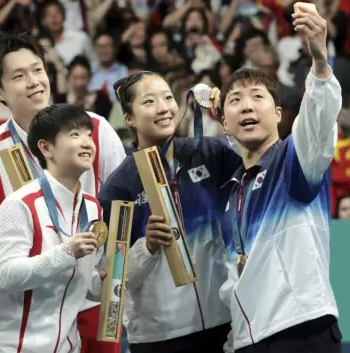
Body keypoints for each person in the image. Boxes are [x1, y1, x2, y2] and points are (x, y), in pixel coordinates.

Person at [0, 32, 125, 352]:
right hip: (29, 304)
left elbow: (121, 206)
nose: (34, 81)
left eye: (38, 69)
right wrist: (31, 236)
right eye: (19, 76)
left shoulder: (94, 130)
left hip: (90, 297)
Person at [218, 5, 343, 352]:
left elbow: (317, 119)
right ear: (224, 122)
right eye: (235, 100)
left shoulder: (295, 159)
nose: (246, 106)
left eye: (258, 97)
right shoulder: (232, 191)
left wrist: (319, 62)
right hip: (248, 339)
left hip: (300, 330)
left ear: (277, 114)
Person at [97, 72, 242, 353]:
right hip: (159, 336)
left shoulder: (211, 153)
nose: (163, 108)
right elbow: (111, 277)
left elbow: (258, 159)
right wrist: (147, 248)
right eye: (149, 101)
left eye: (168, 97)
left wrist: (227, 113)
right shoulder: (120, 187)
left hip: (223, 322)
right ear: (129, 118)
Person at [0, 104, 105, 353]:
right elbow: (4, 276)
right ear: (46, 147)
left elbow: (85, 283)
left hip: (67, 346)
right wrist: (66, 253)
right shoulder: (19, 204)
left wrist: (105, 281)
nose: (87, 142)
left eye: (89, 135)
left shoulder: (92, 207)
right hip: (12, 347)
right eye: (74, 134)